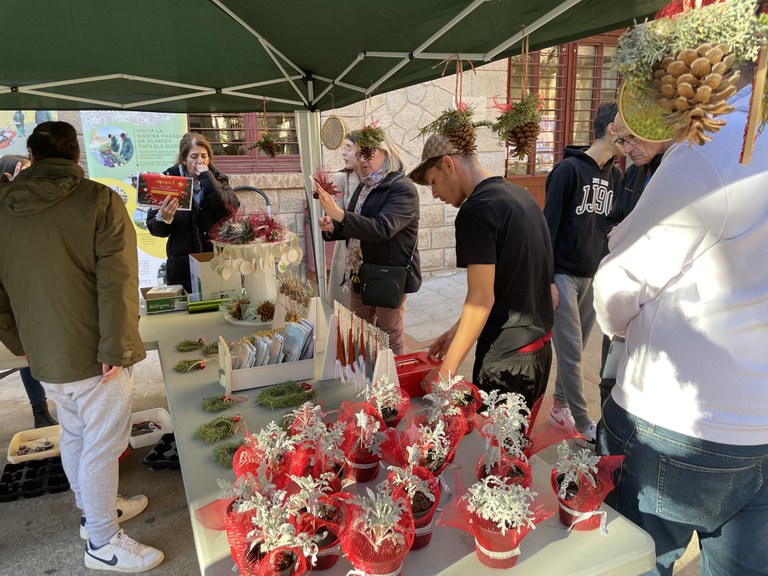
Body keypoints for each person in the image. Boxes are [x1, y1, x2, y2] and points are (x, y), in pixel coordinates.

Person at [594, 71, 768, 575]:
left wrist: (622, 329)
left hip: (676, 420)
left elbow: (619, 284)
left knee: (632, 560)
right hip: (754, 420)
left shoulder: (717, 147)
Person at [0, 122, 163, 571]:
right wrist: (117, 347)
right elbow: (119, 280)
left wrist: (19, 341)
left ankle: (96, 513)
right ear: (76, 156)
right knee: (100, 445)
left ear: (31, 156)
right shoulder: (98, 200)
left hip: (43, 352)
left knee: (74, 433)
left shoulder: (3, 207)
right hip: (96, 351)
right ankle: (102, 541)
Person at [410, 133, 554, 408]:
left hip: (507, 358)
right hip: (538, 350)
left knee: (492, 447)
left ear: (448, 165)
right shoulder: (520, 197)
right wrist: (457, 330)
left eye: (433, 182)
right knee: (515, 447)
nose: (435, 193)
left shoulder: (476, 210)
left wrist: (447, 370)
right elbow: (508, 285)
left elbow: (481, 299)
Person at [543, 101, 624, 445]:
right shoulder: (567, 171)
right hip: (562, 273)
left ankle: (560, 404)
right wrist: (546, 279)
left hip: (593, 275)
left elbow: (609, 221)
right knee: (572, 351)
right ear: (611, 129)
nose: (633, 138)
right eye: (628, 130)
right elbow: (548, 227)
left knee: (578, 345)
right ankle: (582, 419)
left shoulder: (616, 176)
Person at [316, 129, 420, 355]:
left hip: (387, 274)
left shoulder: (402, 188)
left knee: (388, 335)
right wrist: (332, 228)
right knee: (359, 332)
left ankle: (393, 386)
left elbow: (383, 228)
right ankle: (365, 379)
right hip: (360, 272)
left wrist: (340, 215)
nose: (362, 160)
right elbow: (357, 228)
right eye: (360, 154)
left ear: (385, 152)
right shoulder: (366, 187)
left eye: (368, 153)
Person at [598, 114, 671, 409]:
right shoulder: (633, 173)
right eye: (621, 140)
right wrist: (615, 232)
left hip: (656, 304)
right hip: (624, 298)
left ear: (657, 125)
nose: (626, 149)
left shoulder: (680, 169)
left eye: (632, 139)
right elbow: (611, 220)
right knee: (609, 379)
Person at [0, 154, 58, 428]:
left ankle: (43, 408)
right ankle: (39, 408)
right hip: (14, 299)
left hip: (40, 294)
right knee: (23, 355)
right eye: (23, 171)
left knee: (34, 355)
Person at [146, 132, 240, 293]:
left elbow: (228, 210)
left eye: (204, 156)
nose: (200, 161)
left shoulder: (218, 180)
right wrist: (164, 218)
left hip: (215, 262)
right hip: (182, 267)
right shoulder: (167, 182)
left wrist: (207, 178)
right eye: (194, 156)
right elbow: (155, 229)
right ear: (184, 159)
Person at [326, 132, 362, 308]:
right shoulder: (342, 178)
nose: (343, 153)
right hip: (346, 248)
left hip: (371, 249)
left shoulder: (381, 181)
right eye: (344, 148)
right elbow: (335, 219)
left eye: (348, 148)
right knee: (345, 306)